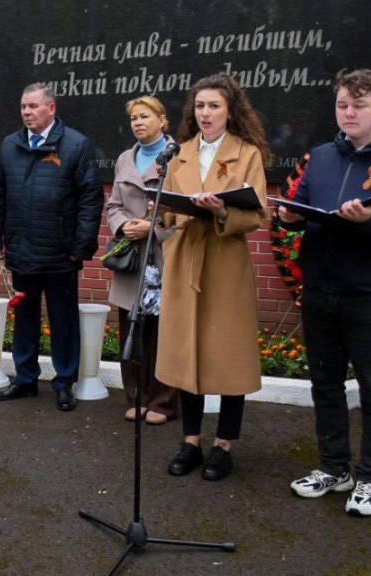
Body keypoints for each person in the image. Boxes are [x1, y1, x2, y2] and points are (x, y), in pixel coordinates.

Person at [156, 73, 268, 482]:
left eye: (214, 106)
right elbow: (166, 211)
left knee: (228, 353)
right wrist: (164, 207)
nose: (206, 113)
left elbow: (257, 213)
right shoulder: (179, 153)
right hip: (186, 259)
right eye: (200, 106)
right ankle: (190, 442)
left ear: (230, 111)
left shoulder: (247, 153)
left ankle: (224, 446)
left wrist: (222, 211)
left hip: (224, 261)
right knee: (188, 351)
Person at [282, 69, 371, 516]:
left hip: (369, 293)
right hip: (320, 290)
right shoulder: (321, 155)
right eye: (343, 104)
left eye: (359, 105)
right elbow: (301, 204)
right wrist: (288, 218)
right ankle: (334, 469)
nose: (349, 113)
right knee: (325, 383)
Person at [0, 83, 103, 412]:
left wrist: (80, 247)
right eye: (23, 106)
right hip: (21, 250)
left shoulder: (77, 145)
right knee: (24, 318)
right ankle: (25, 380)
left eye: (33, 106)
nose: (26, 112)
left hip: (60, 254)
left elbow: (91, 200)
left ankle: (64, 383)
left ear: (51, 108)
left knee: (63, 321)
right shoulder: (10, 145)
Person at [105, 96, 179, 425]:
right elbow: (113, 205)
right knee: (132, 329)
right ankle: (136, 397)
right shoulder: (124, 159)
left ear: (162, 120)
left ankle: (162, 402)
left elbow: (184, 209)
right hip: (133, 259)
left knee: (163, 332)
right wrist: (125, 225)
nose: (138, 122)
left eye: (145, 116)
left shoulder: (180, 157)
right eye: (134, 117)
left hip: (164, 255)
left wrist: (153, 228)